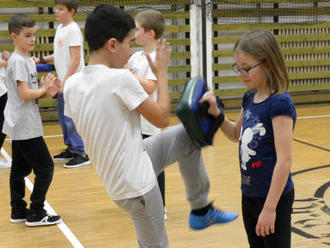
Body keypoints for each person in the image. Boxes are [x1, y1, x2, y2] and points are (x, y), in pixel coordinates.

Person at [63, 4, 237, 248]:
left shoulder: (71, 84)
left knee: (189, 136)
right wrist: (162, 72)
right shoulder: (119, 79)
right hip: (137, 187)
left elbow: (85, 123)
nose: (131, 49)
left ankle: (200, 209)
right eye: (129, 43)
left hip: (134, 161)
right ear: (112, 45)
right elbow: (162, 119)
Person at [200, 30, 296, 248]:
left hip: (273, 198)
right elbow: (236, 134)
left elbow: (285, 161)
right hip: (249, 194)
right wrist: (216, 113)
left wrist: (270, 208)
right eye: (238, 67)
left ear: (268, 64)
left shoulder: (279, 103)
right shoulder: (249, 97)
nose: (241, 73)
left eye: (247, 67)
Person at [4, 13, 61, 226]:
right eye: (27, 35)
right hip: (25, 125)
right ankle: (36, 211)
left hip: (22, 123)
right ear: (14, 36)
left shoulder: (26, 60)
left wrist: (48, 92)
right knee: (46, 167)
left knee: (19, 169)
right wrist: (43, 89)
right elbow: (26, 94)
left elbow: (31, 94)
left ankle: (18, 210)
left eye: (34, 35)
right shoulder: (18, 61)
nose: (33, 39)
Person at [39, 0, 90, 168]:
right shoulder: (61, 29)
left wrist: (66, 79)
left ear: (72, 11)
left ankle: (81, 152)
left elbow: (76, 58)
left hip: (73, 82)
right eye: (57, 9)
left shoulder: (73, 30)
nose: (57, 12)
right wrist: (42, 60)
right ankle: (71, 147)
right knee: (63, 116)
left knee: (71, 117)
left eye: (61, 9)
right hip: (64, 81)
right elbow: (60, 54)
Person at [128, 9, 167, 220]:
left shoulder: (155, 58)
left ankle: (160, 207)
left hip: (151, 123)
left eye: (137, 29)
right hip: (135, 122)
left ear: (150, 33)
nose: (134, 32)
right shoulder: (135, 56)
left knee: (154, 168)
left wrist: (130, 73)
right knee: (137, 165)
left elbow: (150, 88)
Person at [0, 50, 11, 168]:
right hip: (0, 91)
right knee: (3, 122)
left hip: (2, 88)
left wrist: (3, 56)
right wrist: (6, 61)